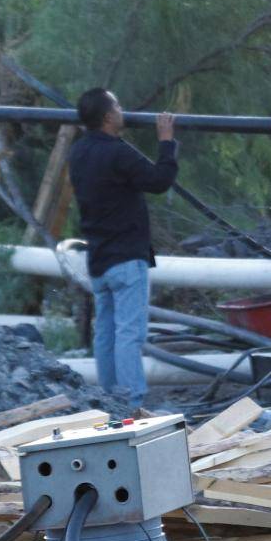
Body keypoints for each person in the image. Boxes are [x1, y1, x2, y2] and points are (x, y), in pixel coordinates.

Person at [69, 89, 179, 415]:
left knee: (105, 333)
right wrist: (167, 141)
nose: (122, 109)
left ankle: (109, 401)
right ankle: (132, 405)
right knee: (130, 334)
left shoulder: (78, 152)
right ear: (107, 117)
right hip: (127, 258)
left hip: (99, 259)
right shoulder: (118, 153)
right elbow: (159, 180)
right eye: (117, 105)